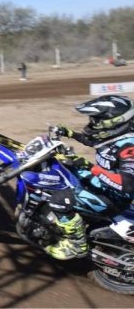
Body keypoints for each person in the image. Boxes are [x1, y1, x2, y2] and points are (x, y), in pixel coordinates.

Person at [45, 95, 134, 260]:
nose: (93, 124)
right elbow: (92, 141)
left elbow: (127, 185)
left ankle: (77, 244)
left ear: (115, 122)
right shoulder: (115, 136)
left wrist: (90, 167)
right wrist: (70, 133)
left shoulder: (129, 148)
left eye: (97, 121)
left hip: (114, 198)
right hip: (103, 185)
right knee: (63, 171)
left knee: (58, 201)